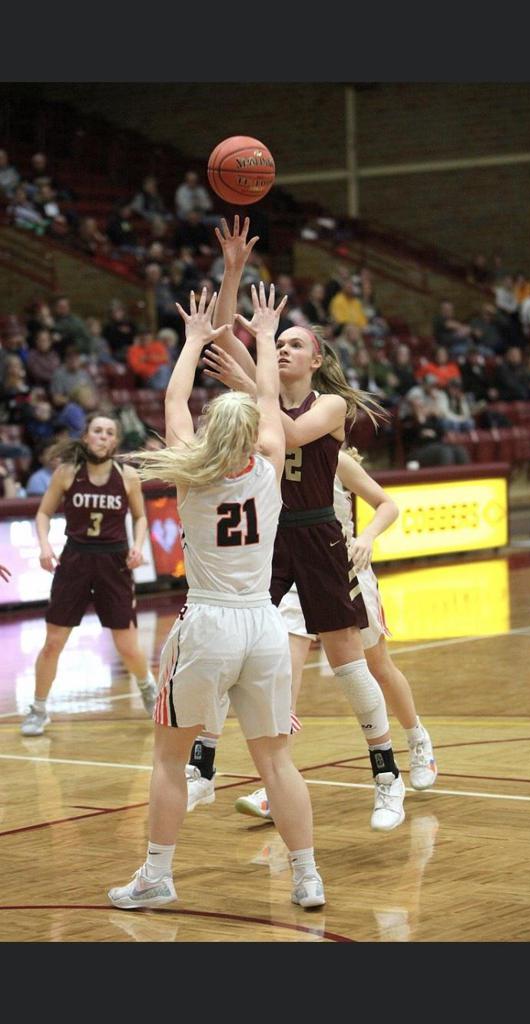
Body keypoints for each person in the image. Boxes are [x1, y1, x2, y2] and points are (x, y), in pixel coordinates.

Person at [108, 284, 325, 912]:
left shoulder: (189, 473)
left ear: (208, 434)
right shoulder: (270, 462)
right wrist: (259, 336)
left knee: (170, 758)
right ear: (254, 433)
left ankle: (156, 875)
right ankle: (307, 876)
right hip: (263, 623)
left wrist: (195, 339)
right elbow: (264, 399)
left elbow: (175, 397)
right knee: (277, 762)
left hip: (207, 624)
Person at [186, 216, 406, 833]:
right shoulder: (263, 389)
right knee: (230, 644)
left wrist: (251, 375)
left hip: (316, 532)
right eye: (276, 343)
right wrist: (232, 270)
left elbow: (285, 434)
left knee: (347, 662)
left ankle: (387, 776)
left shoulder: (329, 405)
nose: (280, 347)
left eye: (293, 344)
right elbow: (226, 333)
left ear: (317, 361)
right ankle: (202, 767)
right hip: (266, 533)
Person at [198, 445, 437, 820]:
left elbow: (387, 504)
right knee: (285, 677)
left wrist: (367, 538)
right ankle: (277, 783)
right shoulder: (270, 456)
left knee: (378, 668)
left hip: (341, 569)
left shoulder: (333, 458)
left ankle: (417, 737)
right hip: (292, 573)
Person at [20, 411, 158, 736]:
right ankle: (38, 708)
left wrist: (138, 545)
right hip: (76, 560)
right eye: (97, 431)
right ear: (86, 437)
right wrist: (44, 545)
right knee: (53, 643)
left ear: (116, 441)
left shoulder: (128, 476)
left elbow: (140, 518)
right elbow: (42, 512)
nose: (103, 436)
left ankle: (148, 687)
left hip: (114, 563)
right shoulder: (68, 472)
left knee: (127, 645)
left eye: (110, 432)